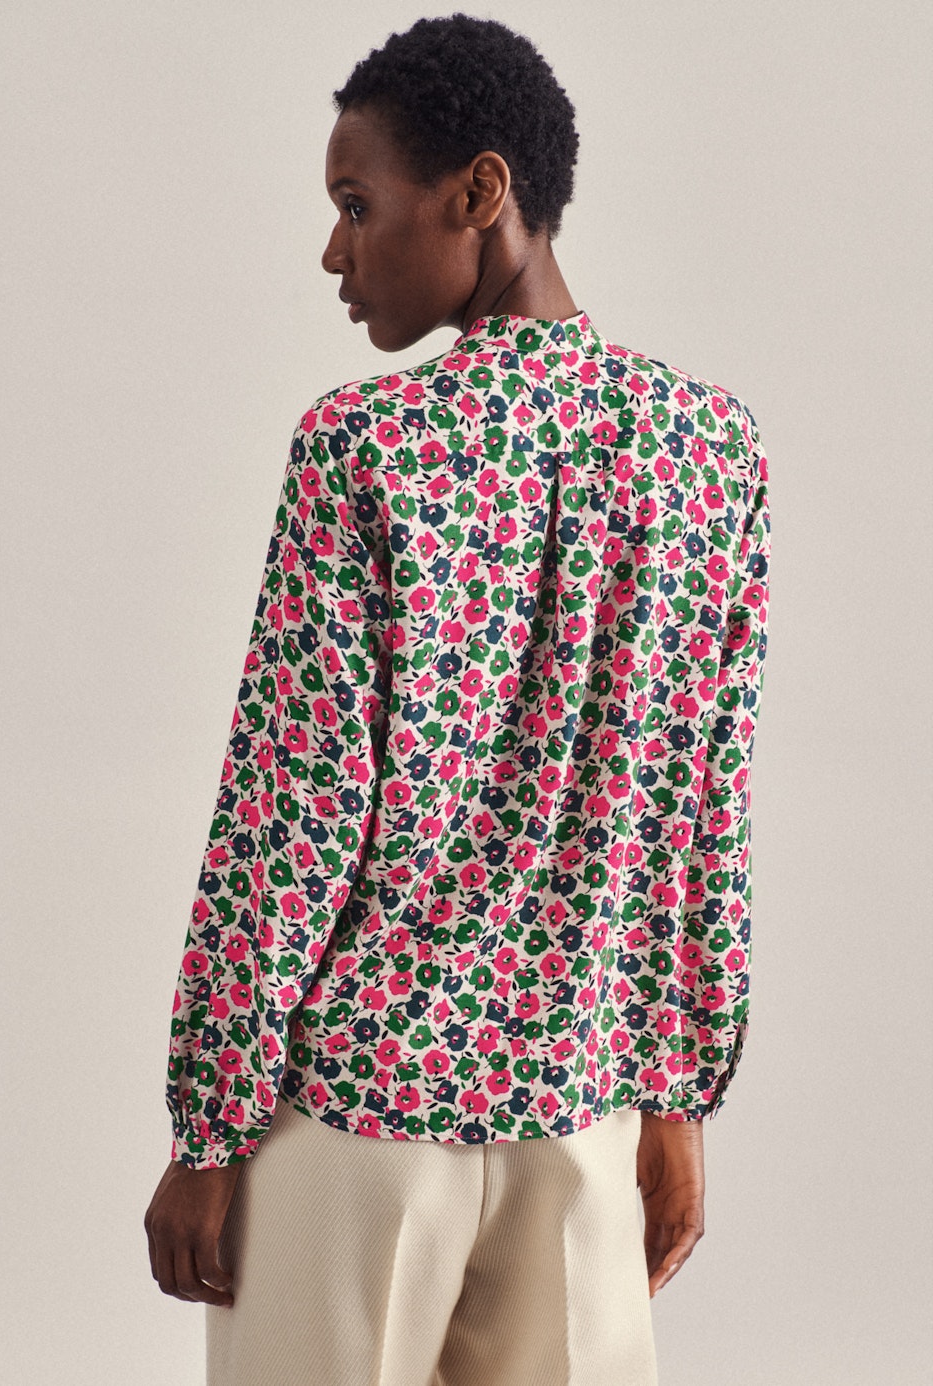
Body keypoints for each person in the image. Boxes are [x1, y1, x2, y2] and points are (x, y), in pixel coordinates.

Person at [144, 14, 771, 1385]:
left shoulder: (363, 448)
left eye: (357, 203)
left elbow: (293, 813)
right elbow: (700, 816)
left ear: (482, 191)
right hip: (584, 1116)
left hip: (356, 1124)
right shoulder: (712, 451)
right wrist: (676, 1094)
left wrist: (209, 1127)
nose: (335, 250)